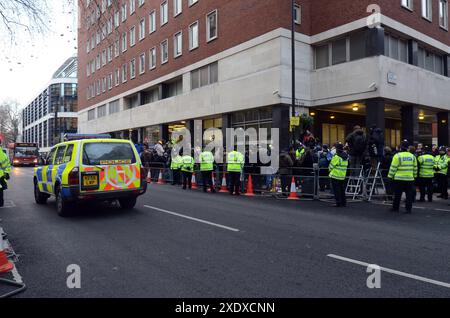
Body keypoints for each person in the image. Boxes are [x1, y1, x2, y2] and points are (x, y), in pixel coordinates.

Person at [388, 140, 417, 214]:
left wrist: (390, 176)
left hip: (399, 179)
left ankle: (395, 208)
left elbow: (393, 167)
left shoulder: (397, 156)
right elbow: (415, 168)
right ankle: (408, 209)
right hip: (410, 179)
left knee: (397, 194)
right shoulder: (412, 156)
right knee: (409, 195)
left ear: (401, 147)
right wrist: (414, 176)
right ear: (408, 148)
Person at [328, 143, 349, 207]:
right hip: (342, 176)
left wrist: (329, 170)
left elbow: (331, 166)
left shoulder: (336, 156)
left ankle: (338, 202)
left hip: (335, 175)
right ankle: (343, 202)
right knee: (342, 190)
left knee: (336, 190)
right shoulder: (345, 156)